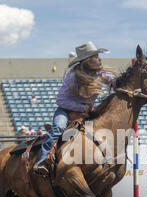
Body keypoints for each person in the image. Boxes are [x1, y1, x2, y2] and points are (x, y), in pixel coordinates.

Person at [33, 41, 115, 176]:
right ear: (87, 61)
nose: (99, 59)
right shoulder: (72, 76)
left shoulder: (101, 74)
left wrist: (118, 82)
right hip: (65, 111)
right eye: (95, 56)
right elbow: (60, 100)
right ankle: (41, 161)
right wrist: (82, 108)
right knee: (58, 128)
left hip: (86, 113)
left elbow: (112, 80)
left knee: (102, 131)